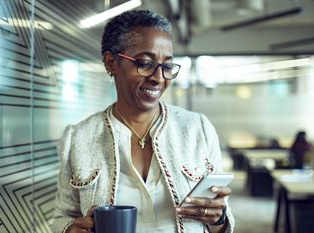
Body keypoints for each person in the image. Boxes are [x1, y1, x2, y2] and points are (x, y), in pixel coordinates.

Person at [51, 10, 234, 233]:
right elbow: (62, 217)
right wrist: (70, 229)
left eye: (167, 66)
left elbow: (222, 223)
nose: (158, 78)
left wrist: (218, 219)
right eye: (145, 63)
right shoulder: (79, 138)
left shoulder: (197, 129)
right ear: (111, 63)